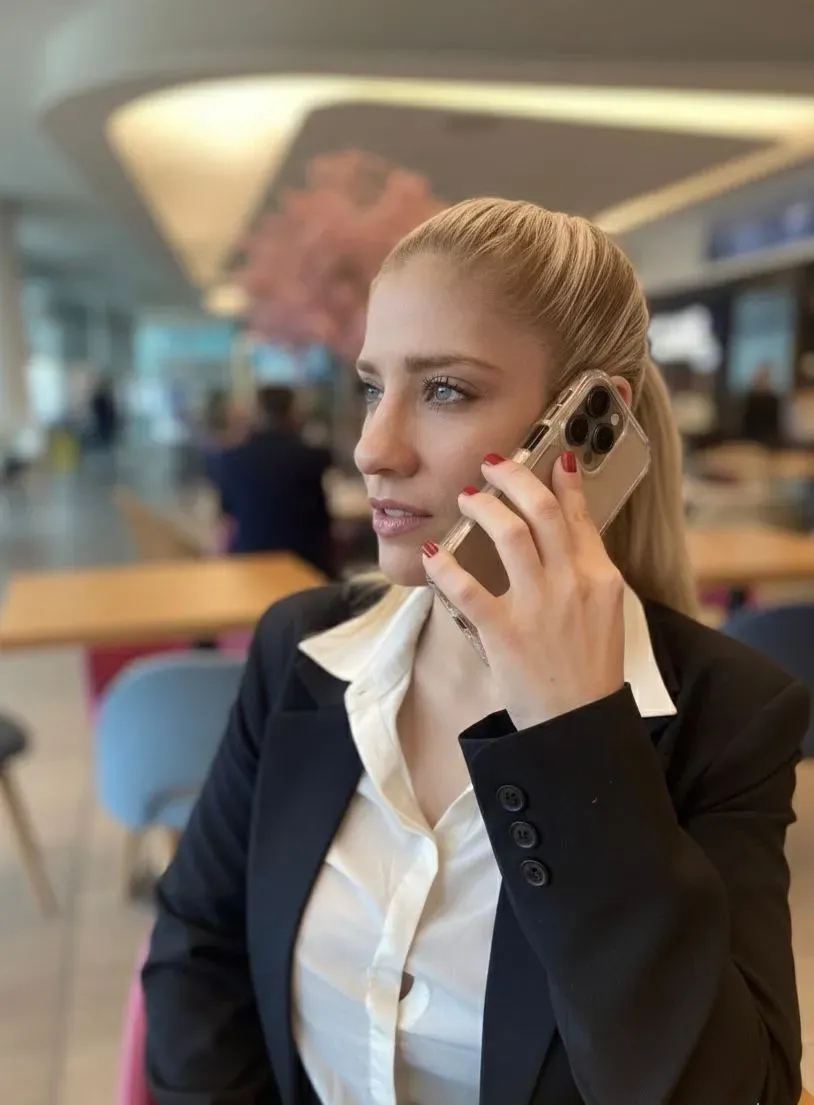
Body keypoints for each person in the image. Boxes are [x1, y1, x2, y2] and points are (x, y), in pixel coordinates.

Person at [143, 200, 808, 1105]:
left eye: (445, 389)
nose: (374, 448)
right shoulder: (300, 651)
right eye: (374, 386)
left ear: (588, 426)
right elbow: (197, 954)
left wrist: (576, 738)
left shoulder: (727, 719)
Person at [207, 385, 334, 576]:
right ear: (293, 412)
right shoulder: (314, 457)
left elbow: (227, 520)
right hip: (306, 563)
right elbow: (324, 521)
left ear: (257, 413)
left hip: (249, 561)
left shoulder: (231, 459)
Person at [740, 362, 783, 447]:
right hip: (749, 440)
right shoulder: (749, 398)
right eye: (760, 376)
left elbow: (776, 425)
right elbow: (745, 423)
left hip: (769, 441)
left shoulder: (774, 399)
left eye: (765, 376)